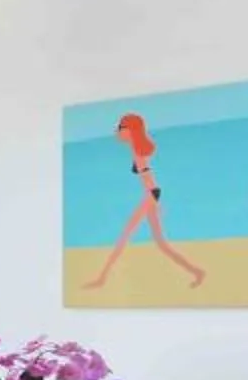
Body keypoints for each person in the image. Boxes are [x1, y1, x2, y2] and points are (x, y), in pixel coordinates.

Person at [85, 112, 206, 291]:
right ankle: (197, 272)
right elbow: (149, 178)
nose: (117, 131)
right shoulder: (136, 148)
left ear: (129, 130)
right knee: (161, 244)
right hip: (151, 194)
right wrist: (156, 199)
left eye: (120, 127)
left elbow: (147, 177)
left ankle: (101, 278)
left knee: (125, 236)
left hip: (149, 195)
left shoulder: (136, 150)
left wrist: (155, 202)